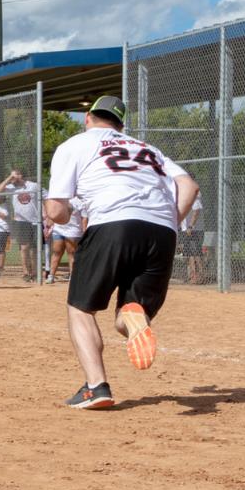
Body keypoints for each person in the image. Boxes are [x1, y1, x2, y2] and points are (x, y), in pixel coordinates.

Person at [47, 96, 198, 410]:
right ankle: (134, 321)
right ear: (121, 124)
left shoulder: (75, 145)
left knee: (81, 309)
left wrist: (60, 215)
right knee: (126, 315)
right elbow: (189, 185)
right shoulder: (148, 149)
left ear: (88, 118)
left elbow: (57, 209)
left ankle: (96, 387)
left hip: (112, 222)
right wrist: (171, 221)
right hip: (162, 230)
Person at [0, 168, 45, 281]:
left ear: (21, 175)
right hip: (20, 221)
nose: (14, 178)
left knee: (34, 249)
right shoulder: (12, 188)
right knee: (24, 248)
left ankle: (35, 272)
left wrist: (45, 214)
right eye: (12, 175)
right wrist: (9, 178)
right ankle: (26, 273)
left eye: (16, 175)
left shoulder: (33, 186)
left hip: (35, 221)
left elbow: (45, 196)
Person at [45, 199, 87, 285]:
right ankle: (51, 276)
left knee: (71, 253)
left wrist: (84, 231)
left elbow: (84, 218)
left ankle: (73, 277)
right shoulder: (61, 198)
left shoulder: (81, 201)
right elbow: (53, 214)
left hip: (73, 231)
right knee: (56, 252)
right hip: (58, 230)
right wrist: (49, 227)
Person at [175, 178, 207, 285]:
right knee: (189, 254)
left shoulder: (195, 194)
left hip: (194, 230)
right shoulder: (185, 195)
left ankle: (202, 276)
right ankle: (193, 276)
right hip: (186, 229)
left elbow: (196, 211)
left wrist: (191, 226)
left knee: (196, 253)